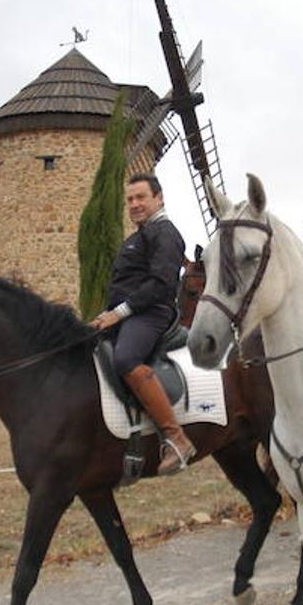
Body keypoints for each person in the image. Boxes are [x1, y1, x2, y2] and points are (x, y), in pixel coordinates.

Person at [90, 173, 196, 473]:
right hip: (128, 312)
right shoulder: (137, 237)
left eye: (141, 197)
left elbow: (160, 285)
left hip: (152, 313)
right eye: (130, 199)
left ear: (159, 198)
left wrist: (119, 313)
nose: (134, 204)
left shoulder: (166, 233)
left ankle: (176, 438)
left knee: (125, 358)